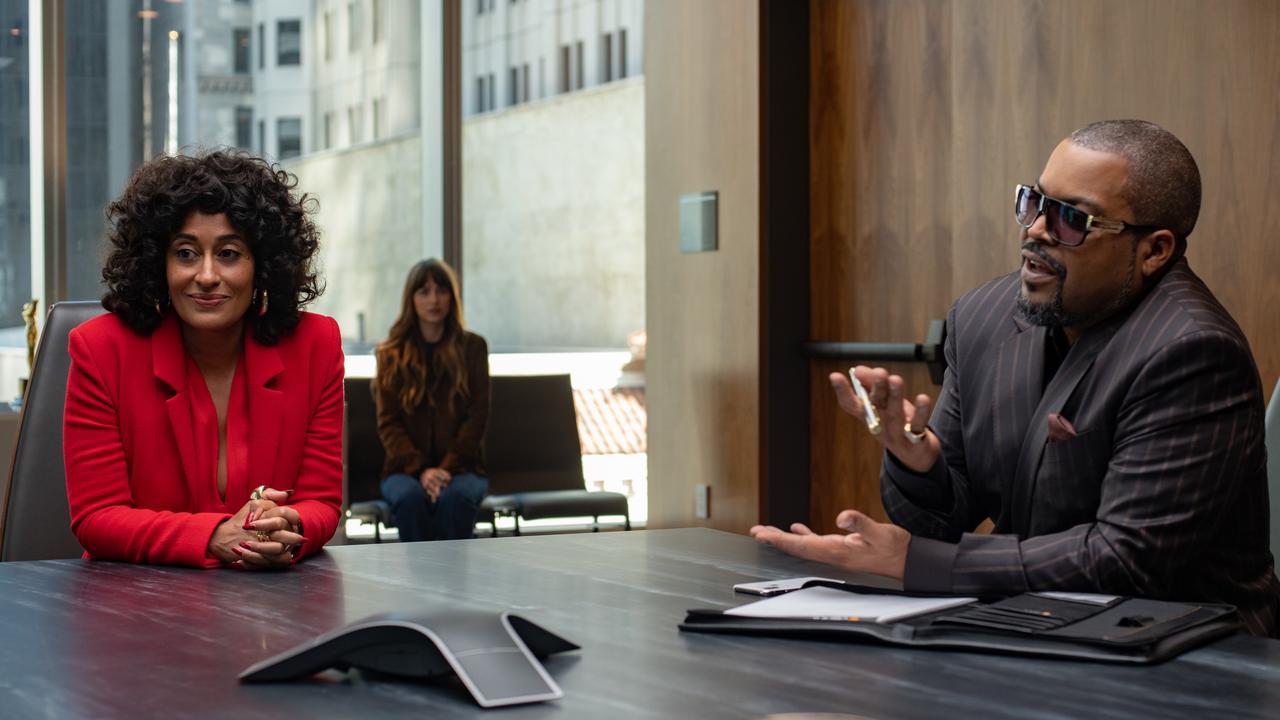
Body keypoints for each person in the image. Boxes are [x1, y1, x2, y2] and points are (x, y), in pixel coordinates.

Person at [751, 120, 1280, 636]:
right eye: (1034, 202)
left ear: (1154, 251)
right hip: (1033, 622)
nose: (1036, 230)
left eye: (1072, 219)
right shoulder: (982, 316)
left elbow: (1126, 559)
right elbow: (943, 519)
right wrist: (918, 461)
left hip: (1191, 648)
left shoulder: (1193, 351)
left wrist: (918, 562)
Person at [64, 150, 343, 570]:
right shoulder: (101, 351)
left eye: (229, 253)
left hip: (269, 606)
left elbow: (321, 500)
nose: (207, 275)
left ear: (261, 266)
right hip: (137, 607)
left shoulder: (315, 344)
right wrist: (214, 537)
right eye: (186, 253)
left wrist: (292, 525)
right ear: (159, 263)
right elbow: (97, 518)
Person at [374, 259, 490, 541]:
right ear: (411, 299)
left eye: (441, 290)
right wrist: (422, 470)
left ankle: (456, 583)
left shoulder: (473, 348)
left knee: (455, 499)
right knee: (410, 499)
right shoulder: (390, 353)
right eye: (424, 291)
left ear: (452, 296)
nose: (434, 299)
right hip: (403, 470)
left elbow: (477, 419)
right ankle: (420, 585)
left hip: (463, 469)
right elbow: (389, 424)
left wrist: (444, 470)